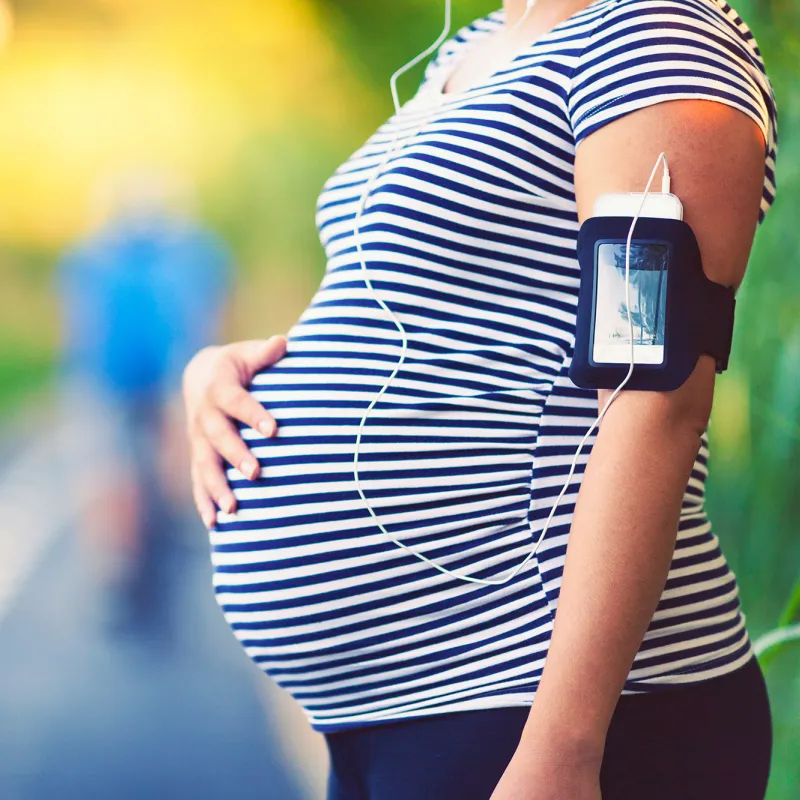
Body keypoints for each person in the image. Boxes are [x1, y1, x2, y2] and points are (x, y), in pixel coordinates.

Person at [182, 0, 778, 797]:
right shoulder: (472, 46)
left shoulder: (653, 35)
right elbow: (422, 314)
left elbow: (655, 393)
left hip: (544, 712)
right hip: (391, 719)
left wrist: (563, 750)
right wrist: (226, 371)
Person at [58, 171, 230, 632]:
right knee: (143, 460)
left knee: (109, 469)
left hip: (114, 374)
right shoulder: (195, 249)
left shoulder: (89, 255)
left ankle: (117, 561)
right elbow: (212, 311)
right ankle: (168, 522)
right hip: (157, 371)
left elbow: (78, 322)